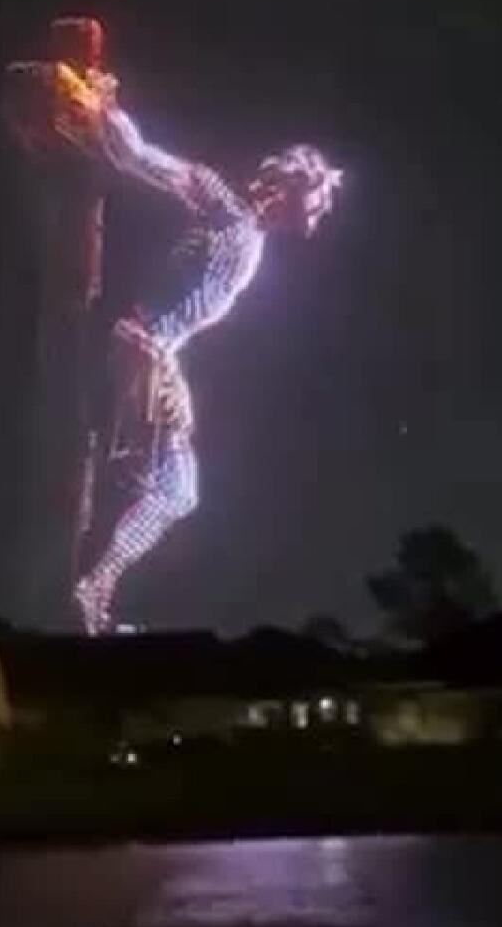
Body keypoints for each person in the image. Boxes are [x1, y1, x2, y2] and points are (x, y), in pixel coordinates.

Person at [52, 67, 343, 634]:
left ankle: (92, 588)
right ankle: (90, 590)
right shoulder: (223, 206)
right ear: (284, 188)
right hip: (143, 347)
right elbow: (141, 158)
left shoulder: (250, 238)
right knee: (173, 489)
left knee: (162, 486)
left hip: (155, 353)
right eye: (315, 200)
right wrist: (107, 106)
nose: (315, 216)